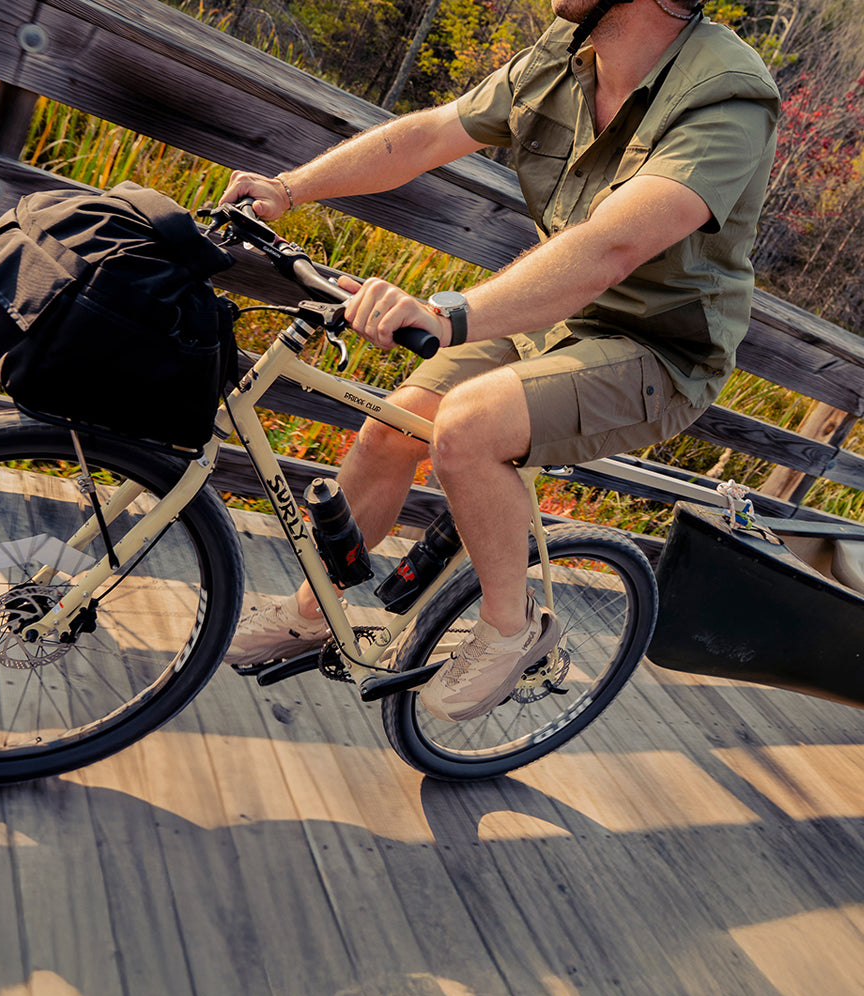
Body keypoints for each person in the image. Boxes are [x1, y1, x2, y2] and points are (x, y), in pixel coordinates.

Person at [219, 0, 780, 722]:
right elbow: (431, 133)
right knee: (393, 426)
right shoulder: (568, 52)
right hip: (549, 315)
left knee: (469, 427)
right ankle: (311, 613)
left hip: (657, 351)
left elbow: (610, 246)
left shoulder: (728, 94)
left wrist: (446, 317)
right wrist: (291, 187)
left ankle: (511, 630)